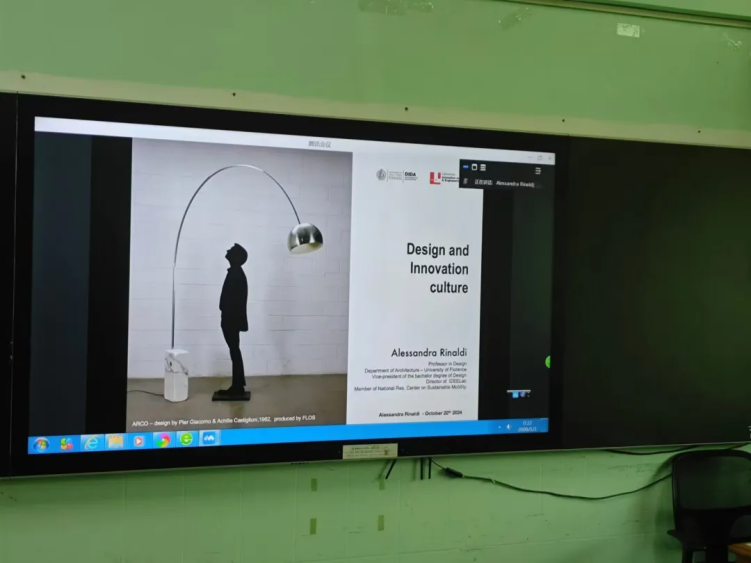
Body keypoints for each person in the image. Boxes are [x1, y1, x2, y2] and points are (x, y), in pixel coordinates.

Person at [213, 243, 250, 401]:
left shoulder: (236, 274)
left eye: (231, 250)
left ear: (235, 257)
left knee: (234, 351)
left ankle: (237, 386)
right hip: (230, 319)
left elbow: (234, 300)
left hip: (231, 320)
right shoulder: (236, 273)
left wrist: (225, 311)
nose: (228, 250)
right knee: (235, 351)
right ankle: (238, 385)